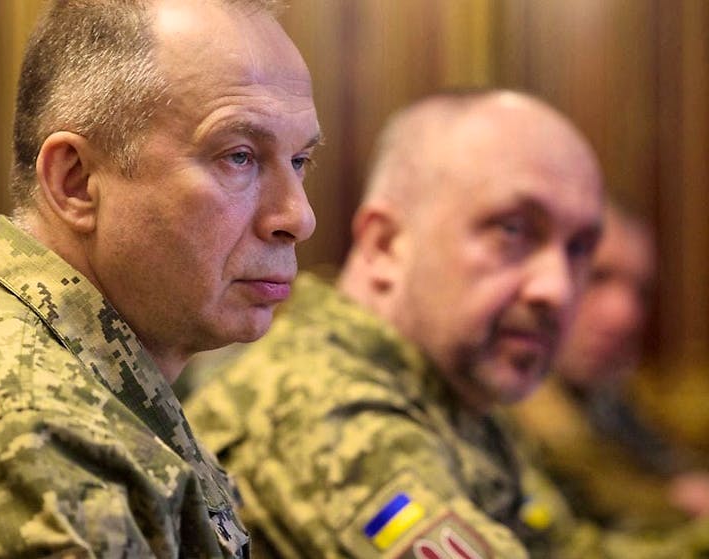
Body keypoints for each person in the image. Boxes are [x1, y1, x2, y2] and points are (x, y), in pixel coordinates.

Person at [0, 0, 319, 556]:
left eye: (299, 161)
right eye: (239, 157)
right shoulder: (18, 437)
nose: (298, 217)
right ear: (75, 182)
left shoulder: (87, 395)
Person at [185, 90, 606, 558]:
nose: (557, 289)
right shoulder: (329, 409)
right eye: (512, 230)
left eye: (579, 248)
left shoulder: (451, 395)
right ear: (385, 244)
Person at [509, 204, 709, 527]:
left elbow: (681, 467)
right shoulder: (506, 394)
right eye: (597, 277)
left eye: (642, 292)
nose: (625, 315)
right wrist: (676, 505)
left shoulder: (605, 395)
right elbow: (595, 491)